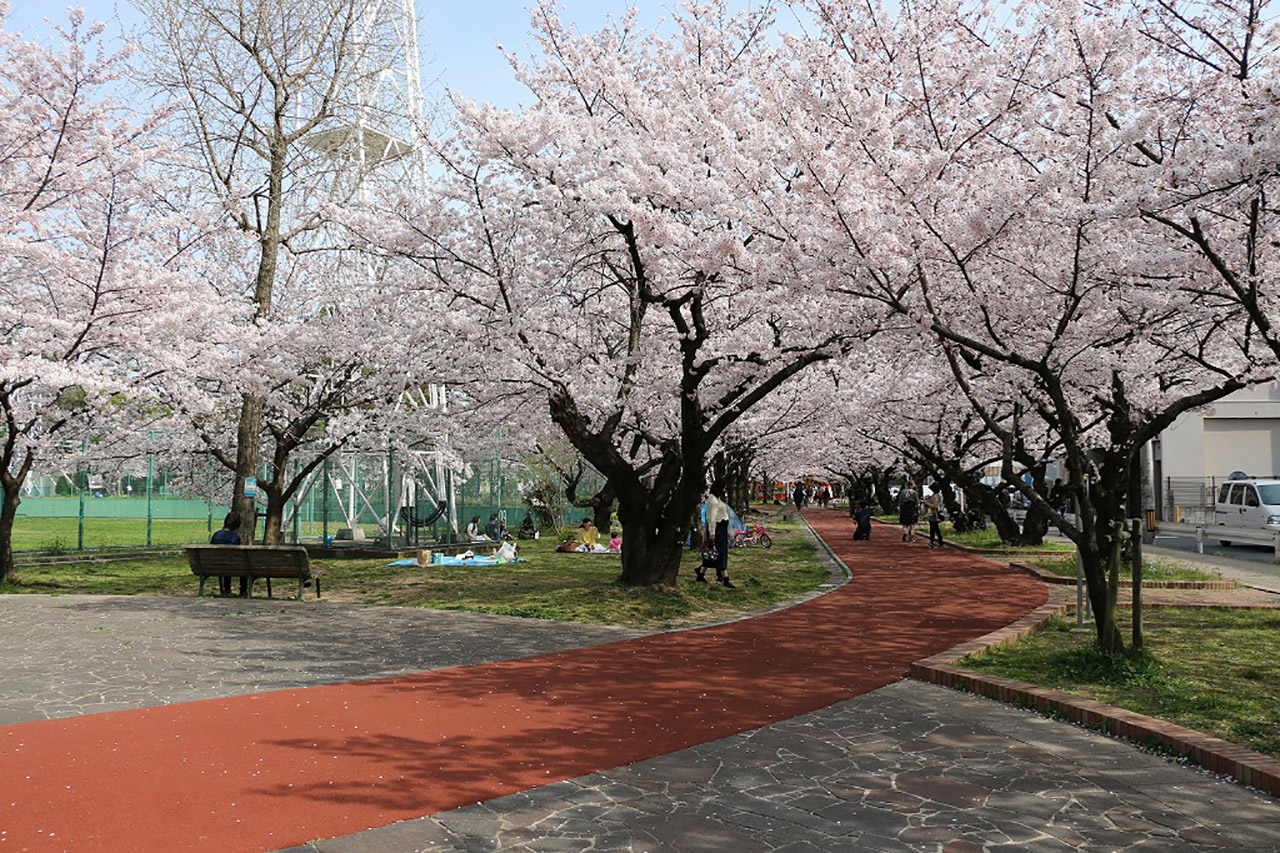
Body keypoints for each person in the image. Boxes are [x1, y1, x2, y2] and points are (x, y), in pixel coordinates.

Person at [698, 481, 734, 588]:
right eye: (723, 488)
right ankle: (725, 579)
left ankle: (700, 574)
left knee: (712, 555)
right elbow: (711, 518)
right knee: (719, 553)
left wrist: (726, 531)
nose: (725, 490)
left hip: (722, 529)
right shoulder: (712, 500)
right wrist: (712, 533)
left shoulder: (717, 499)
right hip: (717, 530)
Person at [210, 511, 242, 595]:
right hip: (230, 565)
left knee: (226, 561)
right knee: (243, 566)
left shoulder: (216, 535)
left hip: (213, 564)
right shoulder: (235, 538)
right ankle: (243, 591)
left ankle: (227, 590)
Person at [924, 483, 945, 549]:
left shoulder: (936, 496)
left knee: (934, 529)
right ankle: (937, 542)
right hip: (932, 514)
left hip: (935, 514)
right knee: (934, 529)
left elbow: (935, 506)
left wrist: (927, 503)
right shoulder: (934, 495)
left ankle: (934, 542)